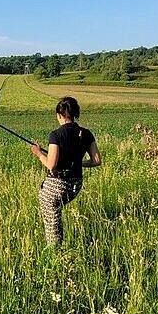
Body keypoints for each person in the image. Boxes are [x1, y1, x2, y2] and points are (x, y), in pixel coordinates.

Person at [29, 96, 102, 246]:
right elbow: (96, 161)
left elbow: (51, 165)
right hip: (75, 185)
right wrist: (78, 163)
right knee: (56, 213)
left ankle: (54, 250)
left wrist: (38, 153)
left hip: (57, 185)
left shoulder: (56, 135)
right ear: (75, 114)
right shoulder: (86, 133)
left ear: (59, 115)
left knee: (52, 220)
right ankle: (57, 245)